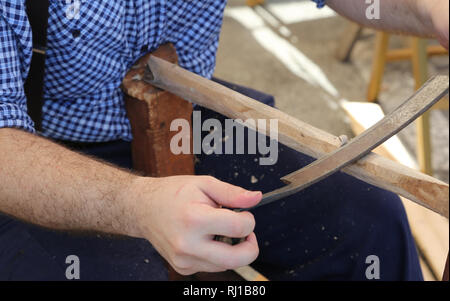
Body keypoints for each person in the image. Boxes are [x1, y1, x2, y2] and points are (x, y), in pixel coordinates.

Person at [0, 0, 448, 280]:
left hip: (185, 115)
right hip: (37, 160)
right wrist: (136, 204)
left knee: (368, 220)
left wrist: (433, 9)